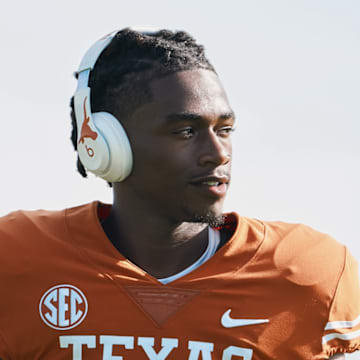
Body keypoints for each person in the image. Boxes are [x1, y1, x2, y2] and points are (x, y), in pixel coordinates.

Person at [0, 28, 359, 360]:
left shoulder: (309, 272)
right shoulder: (15, 257)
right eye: (186, 131)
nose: (218, 153)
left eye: (225, 128)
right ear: (104, 144)